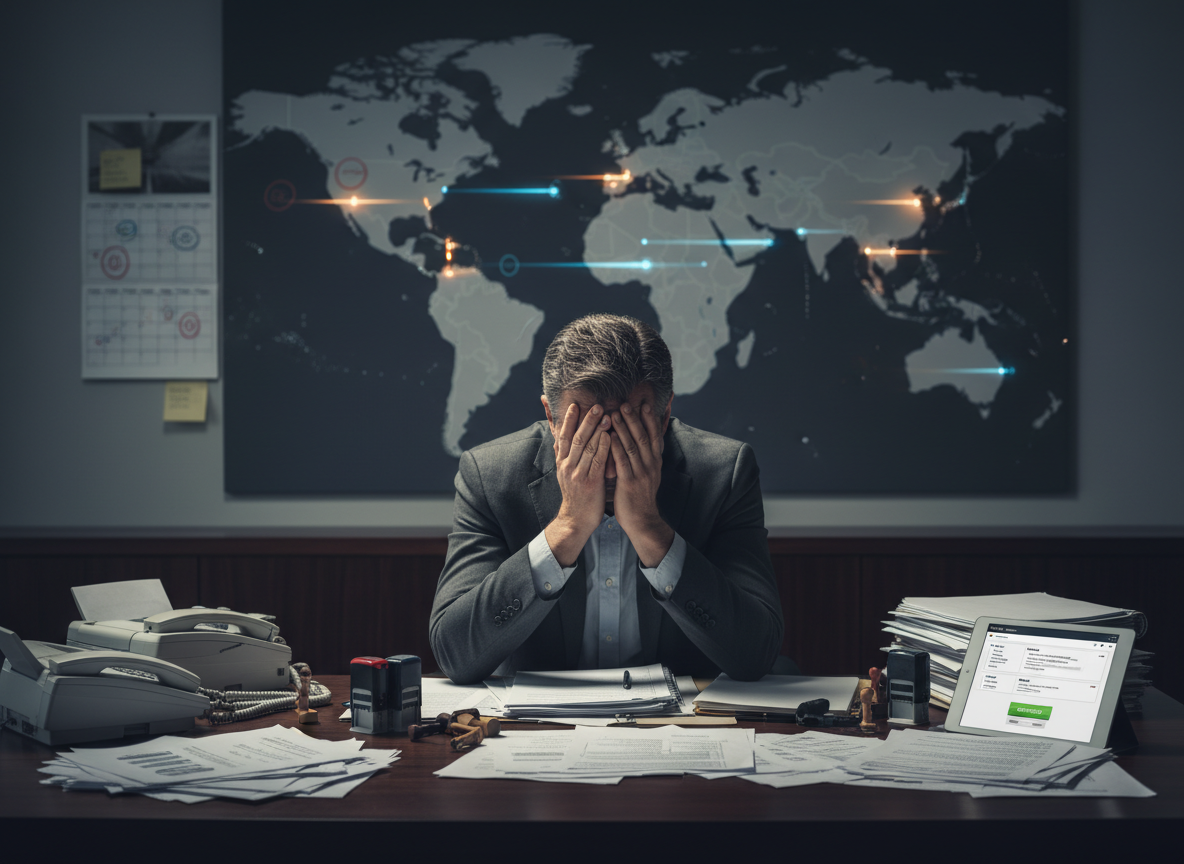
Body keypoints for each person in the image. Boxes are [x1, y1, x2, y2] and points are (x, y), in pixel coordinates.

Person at [429, 314, 783, 684]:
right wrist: (568, 527)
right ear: (551, 417)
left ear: (664, 418)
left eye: (630, 438)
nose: (610, 469)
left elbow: (755, 654)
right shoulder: (490, 475)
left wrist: (650, 529)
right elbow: (456, 654)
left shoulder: (725, 473)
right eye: (588, 435)